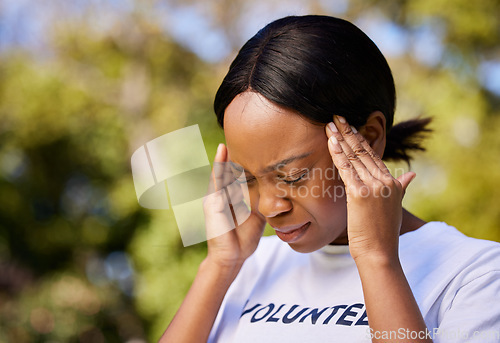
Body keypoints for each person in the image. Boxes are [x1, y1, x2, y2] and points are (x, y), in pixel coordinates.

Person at [159, 15, 500, 343]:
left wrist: (376, 259)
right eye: (246, 178)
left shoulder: (475, 275)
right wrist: (218, 266)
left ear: (368, 136)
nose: (268, 207)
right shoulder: (249, 266)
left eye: (292, 176)